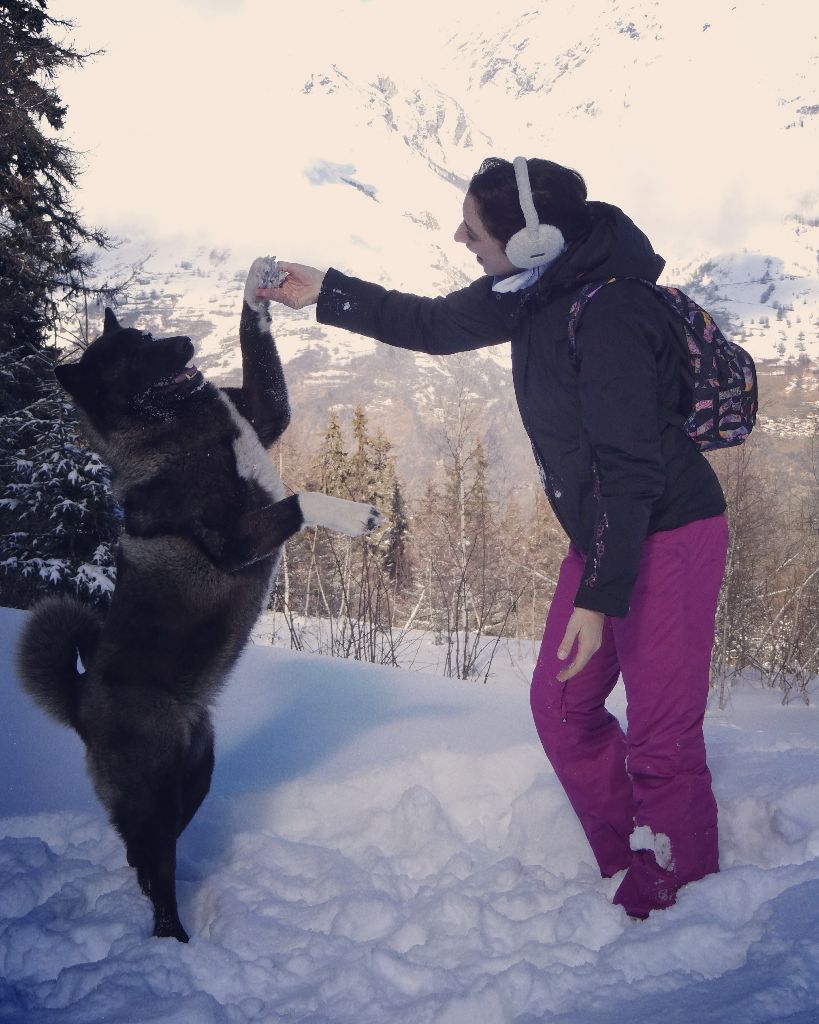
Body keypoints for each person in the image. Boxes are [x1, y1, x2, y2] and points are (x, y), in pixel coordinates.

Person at [257, 156, 729, 920]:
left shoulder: (611, 314)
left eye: (472, 229)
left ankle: (686, 903)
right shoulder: (537, 289)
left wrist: (596, 598)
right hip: (607, 535)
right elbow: (435, 324)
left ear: (536, 239)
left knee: (661, 736)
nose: (458, 237)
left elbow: (631, 473)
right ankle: (628, 863)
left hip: (666, 533)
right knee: (564, 706)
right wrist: (326, 292)